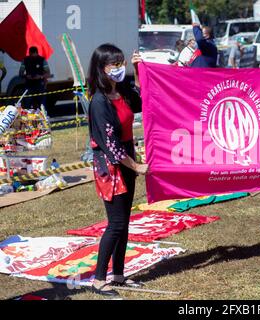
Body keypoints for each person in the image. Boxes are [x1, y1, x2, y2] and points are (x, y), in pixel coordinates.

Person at [87, 44, 149, 297]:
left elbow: (144, 100)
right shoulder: (99, 102)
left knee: (124, 224)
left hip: (126, 159)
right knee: (116, 224)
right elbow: (110, 144)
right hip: (110, 165)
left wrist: (137, 67)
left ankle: (119, 275)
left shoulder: (122, 91)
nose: (119, 68)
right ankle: (99, 280)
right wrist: (137, 166)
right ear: (102, 68)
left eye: (121, 63)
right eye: (115, 64)